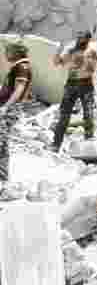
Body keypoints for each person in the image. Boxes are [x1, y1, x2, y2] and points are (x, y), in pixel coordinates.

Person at [51, 31, 97, 152]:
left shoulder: (94, 49)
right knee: (64, 115)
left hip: (86, 84)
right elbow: (57, 63)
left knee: (88, 114)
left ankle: (89, 144)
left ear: (88, 39)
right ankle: (56, 144)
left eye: (82, 38)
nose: (79, 40)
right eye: (78, 38)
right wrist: (57, 53)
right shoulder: (71, 49)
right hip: (71, 84)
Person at [0, 41, 34, 184]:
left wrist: (6, 106)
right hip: (8, 108)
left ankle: (2, 179)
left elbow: (19, 89)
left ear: (16, 53)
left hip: (10, 109)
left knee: (1, 143)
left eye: (8, 51)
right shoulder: (17, 67)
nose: (5, 54)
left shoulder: (22, 67)